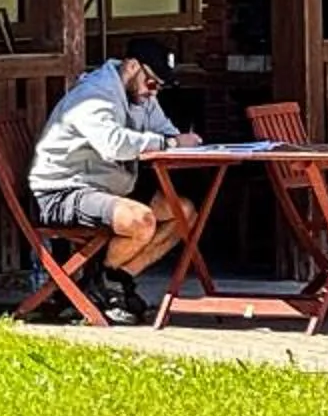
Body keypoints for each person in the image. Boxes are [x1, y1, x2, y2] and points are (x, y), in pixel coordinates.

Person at [27, 36, 201, 324]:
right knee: (141, 220)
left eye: (160, 87)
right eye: (153, 83)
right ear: (133, 67)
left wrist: (183, 142)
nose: (153, 93)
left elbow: (166, 132)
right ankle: (103, 287)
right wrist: (168, 143)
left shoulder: (141, 94)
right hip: (65, 190)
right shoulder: (94, 95)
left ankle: (108, 280)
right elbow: (113, 144)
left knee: (184, 213)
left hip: (109, 187)